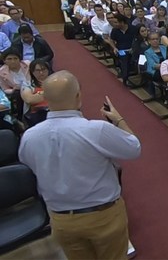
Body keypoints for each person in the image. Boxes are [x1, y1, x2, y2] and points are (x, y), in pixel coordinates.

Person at [18, 71, 141, 260]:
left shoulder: (29, 137)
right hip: (103, 216)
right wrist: (118, 119)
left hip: (61, 220)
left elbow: (30, 166)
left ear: (44, 97)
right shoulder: (96, 129)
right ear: (78, 96)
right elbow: (133, 148)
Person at [21, 59, 50, 126]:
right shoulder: (27, 84)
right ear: (32, 72)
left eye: (43, 69)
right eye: (38, 70)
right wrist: (51, 94)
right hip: (37, 113)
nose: (41, 73)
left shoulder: (55, 81)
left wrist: (39, 95)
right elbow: (29, 99)